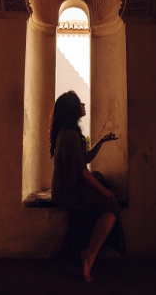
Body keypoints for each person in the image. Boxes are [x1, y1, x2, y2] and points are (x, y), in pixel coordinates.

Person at [50, 90, 125, 282]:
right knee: (112, 204)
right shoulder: (69, 135)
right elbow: (82, 173)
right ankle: (89, 255)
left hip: (66, 186)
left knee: (105, 192)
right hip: (69, 190)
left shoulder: (68, 133)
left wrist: (101, 141)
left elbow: (85, 160)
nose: (84, 106)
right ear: (72, 109)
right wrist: (102, 190)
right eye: (80, 103)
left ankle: (90, 254)